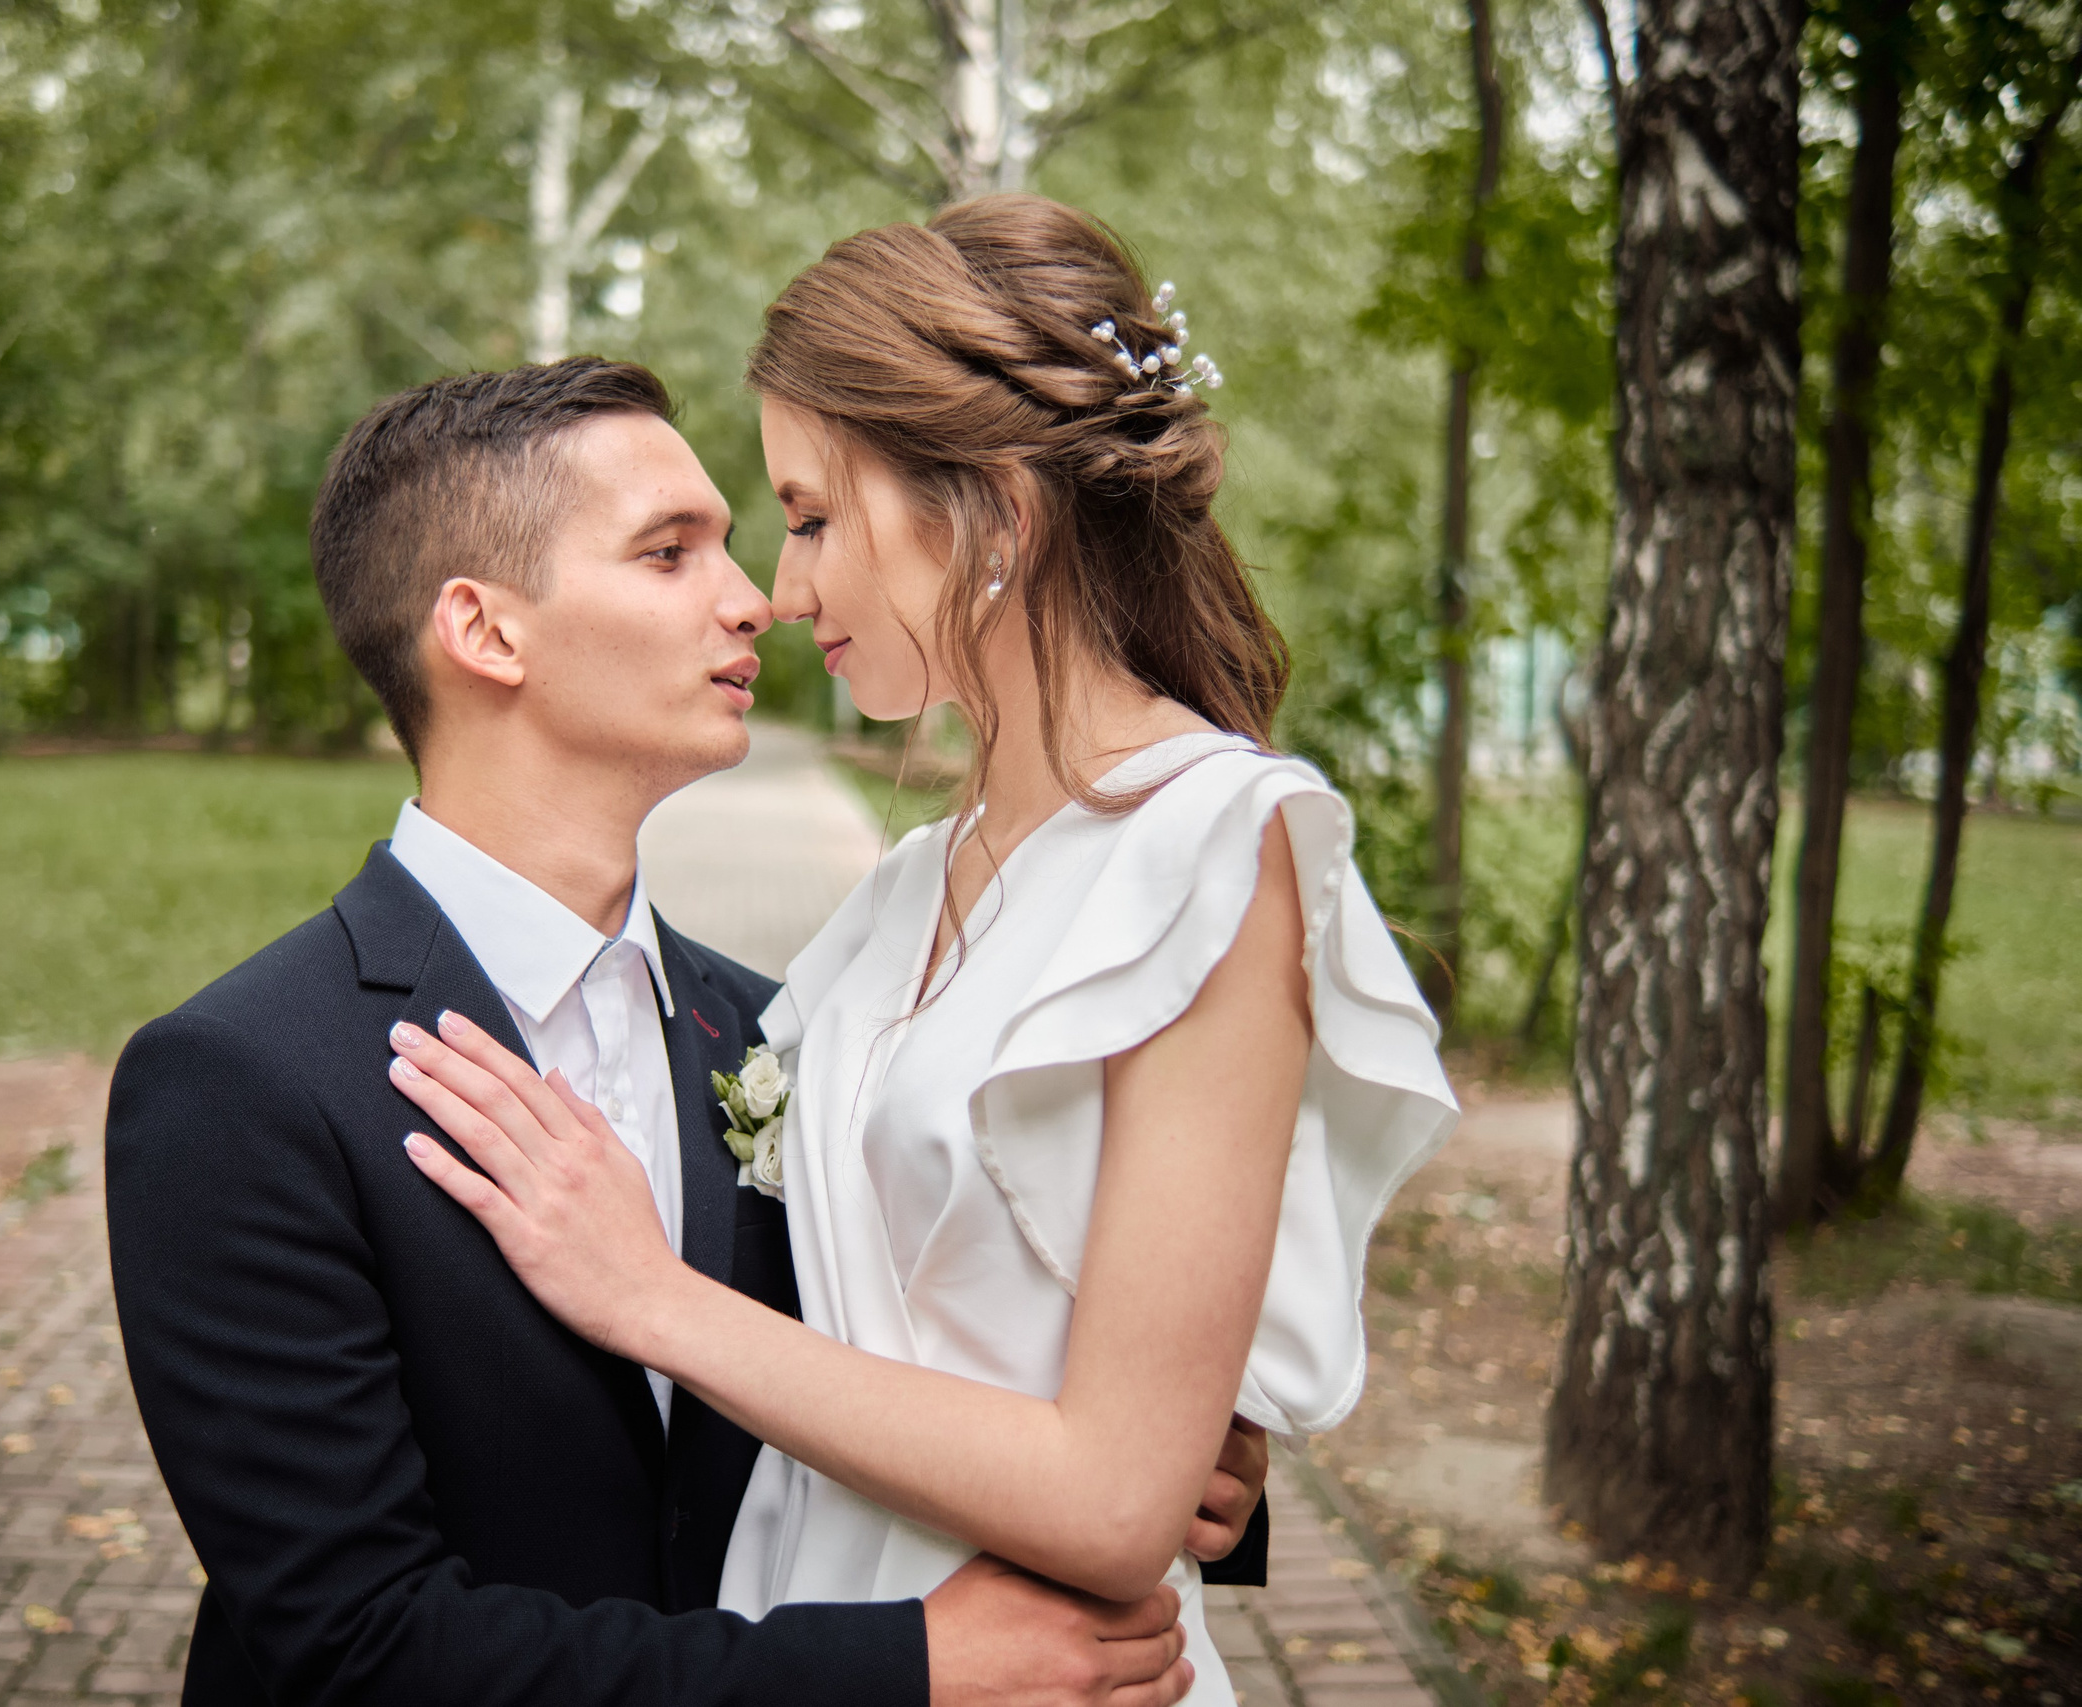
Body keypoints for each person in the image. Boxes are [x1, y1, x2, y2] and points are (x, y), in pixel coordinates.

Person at [385, 194, 1462, 1706]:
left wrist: (655, 1303)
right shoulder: (902, 893)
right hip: (813, 1643)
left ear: (996, 514)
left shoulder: (1219, 850)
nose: (781, 583)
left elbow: (1110, 1502)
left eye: (815, 513)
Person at [105, 354, 1269, 1707]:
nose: (757, 597)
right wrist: (910, 1666)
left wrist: (1182, 1476)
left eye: (739, 543)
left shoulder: (781, 1033)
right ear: (486, 633)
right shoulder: (239, 1084)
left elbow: (929, 1378)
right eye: (670, 554)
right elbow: (362, 1655)